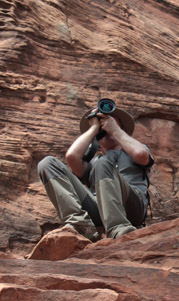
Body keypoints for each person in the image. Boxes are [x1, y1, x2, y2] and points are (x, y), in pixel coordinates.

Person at [38, 102, 154, 240]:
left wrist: (115, 130)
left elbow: (141, 155)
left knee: (103, 163)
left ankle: (118, 227)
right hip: (100, 209)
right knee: (47, 164)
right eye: (102, 124)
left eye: (110, 122)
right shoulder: (94, 162)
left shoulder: (134, 149)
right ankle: (80, 225)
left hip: (132, 207)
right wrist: (93, 129)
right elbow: (72, 157)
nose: (105, 125)